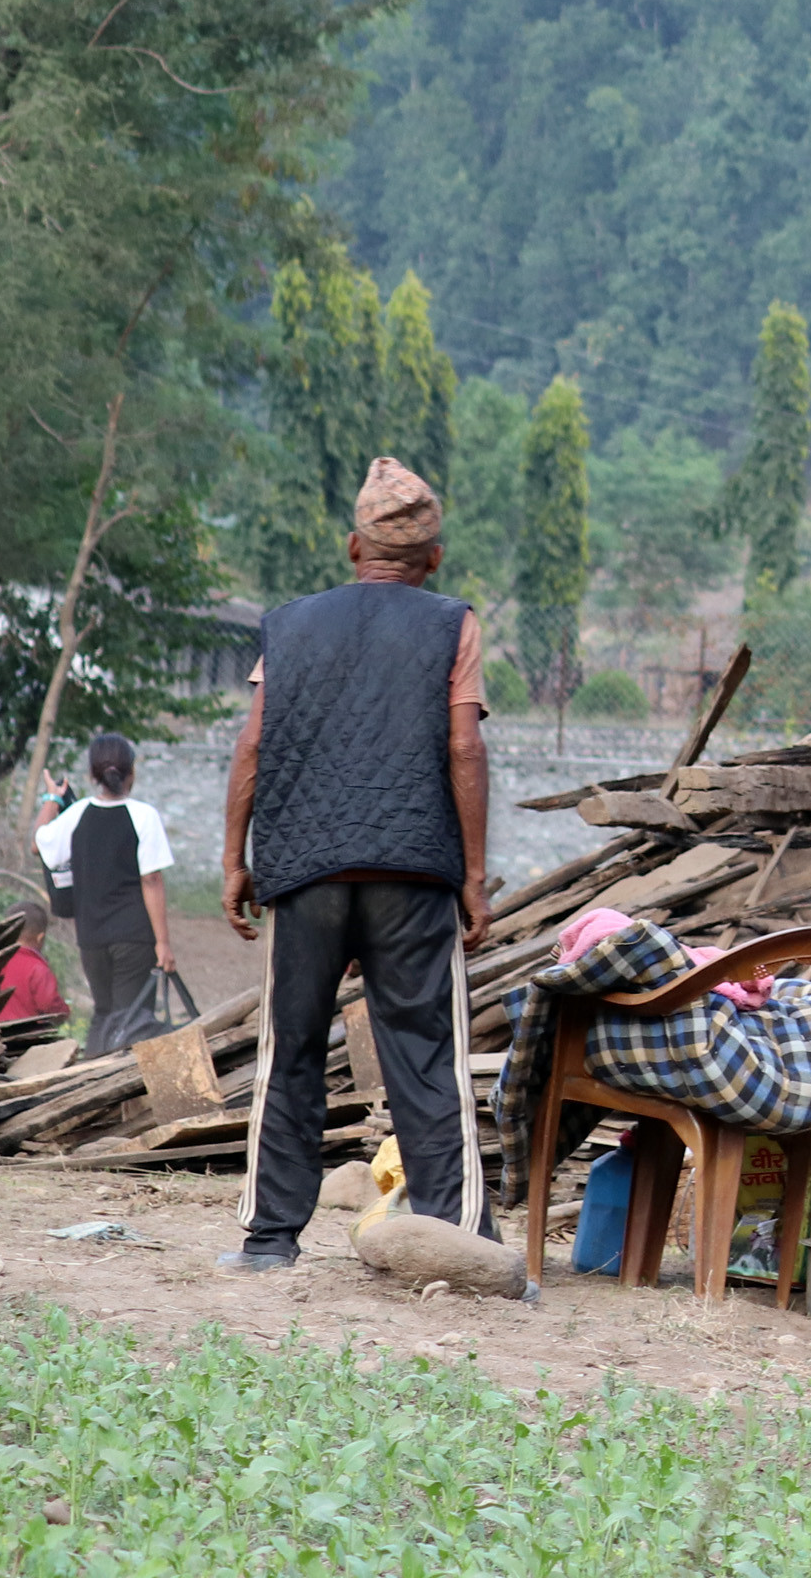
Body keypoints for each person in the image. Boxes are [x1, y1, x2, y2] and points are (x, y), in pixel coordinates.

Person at [219, 457, 494, 1275]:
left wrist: (236, 859)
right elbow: (464, 748)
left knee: (291, 1050)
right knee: (424, 1053)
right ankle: (460, 1244)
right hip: (413, 868)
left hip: (303, 866)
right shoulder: (454, 622)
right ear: (434, 558)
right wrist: (474, 877)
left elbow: (254, 744)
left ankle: (269, 1241)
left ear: (352, 548)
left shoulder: (291, 626)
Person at [33, 733, 174, 1053]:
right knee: (133, 1018)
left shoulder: (78, 813)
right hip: (134, 936)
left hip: (92, 936)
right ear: (132, 773)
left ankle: (90, 1081)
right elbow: (151, 880)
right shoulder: (143, 816)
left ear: (91, 776)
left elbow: (37, 843)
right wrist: (163, 942)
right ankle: (120, 1094)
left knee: (104, 1013)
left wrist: (52, 799)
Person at [0, 901, 62, 1027]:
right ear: (40, 937)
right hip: (27, 1037)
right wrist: (64, 1012)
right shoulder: (37, 968)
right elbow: (49, 1004)